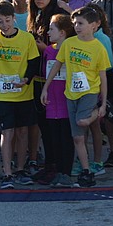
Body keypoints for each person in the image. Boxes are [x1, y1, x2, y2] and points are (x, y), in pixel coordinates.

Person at [42, 6, 110, 189]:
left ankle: (100, 111)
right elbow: (57, 66)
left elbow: (103, 76)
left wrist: (103, 102)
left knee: (82, 121)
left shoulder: (98, 47)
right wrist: (45, 88)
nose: (77, 27)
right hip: (71, 93)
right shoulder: (69, 44)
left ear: (94, 26)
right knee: (78, 137)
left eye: (81, 23)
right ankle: (86, 170)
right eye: (75, 24)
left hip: (89, 92)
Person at [0, 0, 40, 189]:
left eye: (8, 21)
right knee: (7, 132)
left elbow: (34, 62)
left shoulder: (26, 38)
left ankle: (20, 169)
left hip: (23, 93)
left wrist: (26, 78)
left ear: (14, 19)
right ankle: (7, 172)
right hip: (1, 94)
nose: (5, 25)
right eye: (1, 22)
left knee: (23, 131)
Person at [36, 14, 76, 187]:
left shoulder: (71, 49)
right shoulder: (49, 51)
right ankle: (58, 172)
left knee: (66, 137)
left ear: (62, 33)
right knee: (54, 137)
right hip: (51, 100)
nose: (48, 31)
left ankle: (66, 172)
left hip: (67, 99)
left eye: (52, 28)